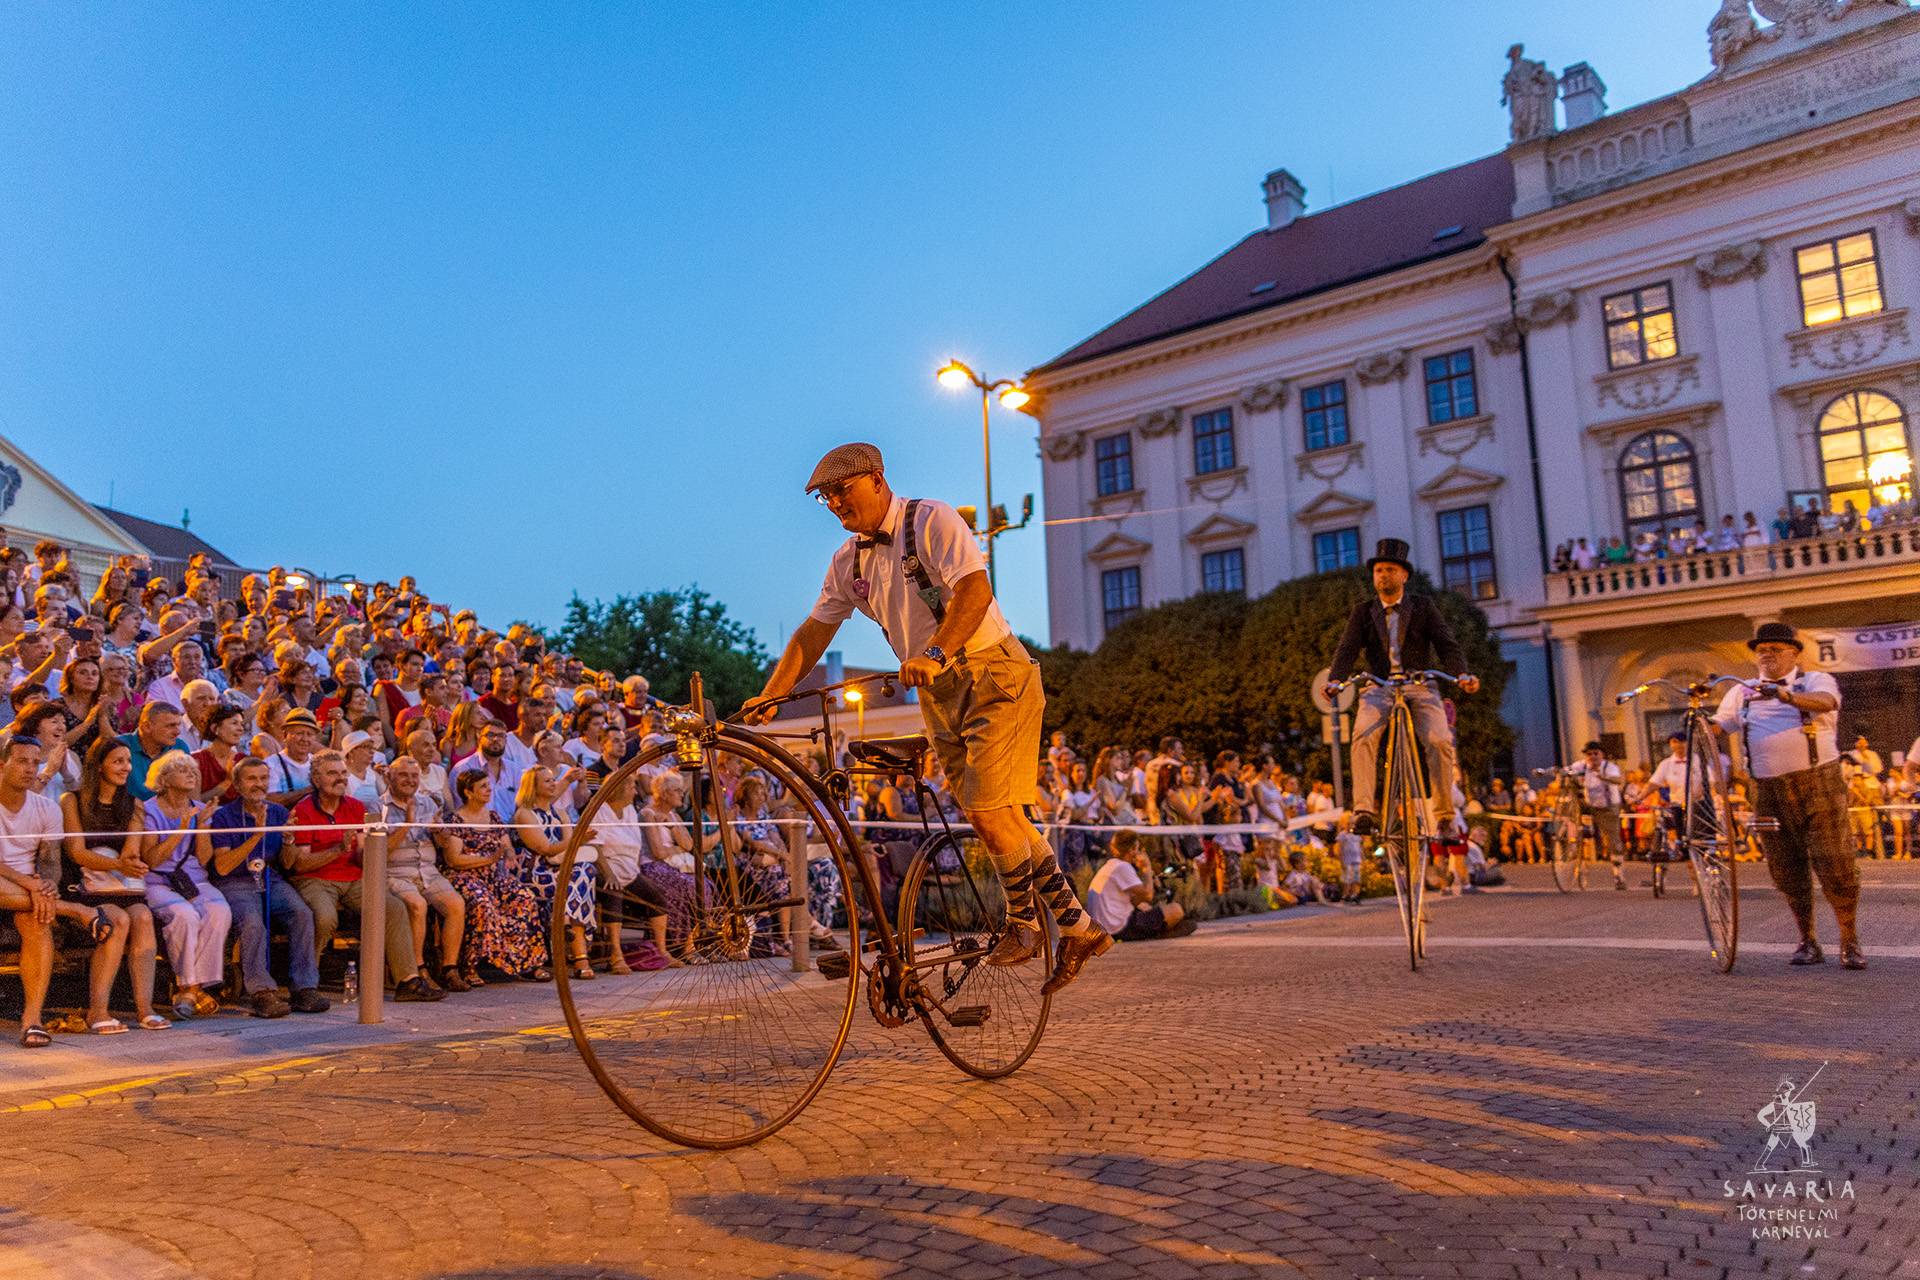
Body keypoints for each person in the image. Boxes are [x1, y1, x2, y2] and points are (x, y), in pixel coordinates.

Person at [743, 442, 1108, 995]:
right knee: (1000, 817)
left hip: (992, 673)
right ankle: (1079, 928)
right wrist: (771, 695)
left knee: (988, 811)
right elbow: (813, 633)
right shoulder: (847, 562)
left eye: (842, 489)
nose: (835, 502)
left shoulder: (930, 519)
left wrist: (935, 652)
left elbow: (974, 591)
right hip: (936, 690)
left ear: (877, 479)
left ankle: (1025, 923)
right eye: (826, 497)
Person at [1713, 622, 1864, 969]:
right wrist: (1699, 721)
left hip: (1819, 782)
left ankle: (1849, 939)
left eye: (1775, 649)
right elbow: (1720, 725)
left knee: (1836, 863)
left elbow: (1827, 703)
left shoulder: (1813, 681)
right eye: (1761, 650)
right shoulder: (1741, 692)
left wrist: (1785, 696)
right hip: (1766, 790)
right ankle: (1807, 940)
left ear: (1794, 653)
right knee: (1785, 868)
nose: (1766, 654)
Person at [1325, 538, 1479, 838]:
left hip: (1419, 684)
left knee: (1439, 740)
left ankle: (1445, 817)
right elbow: (1347, 649)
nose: (1383, 575)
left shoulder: (1423, 607)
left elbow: (1447, 645)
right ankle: (1364, 811)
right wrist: (1335, 679)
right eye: (1379, 570)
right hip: (1379, 686)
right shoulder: (1363, 611)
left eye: (1390, 570)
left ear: (1404, 575)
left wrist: (1461, 675)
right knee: (1362, 735)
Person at [284, 750, 444, 1002]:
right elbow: (300, 865)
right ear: (316, 779)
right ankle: (305, 985)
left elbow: (360, 854)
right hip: (316, 879)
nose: (340, 778)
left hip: (354, 878)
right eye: (332, 773)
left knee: (394, 907)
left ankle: (408, 981)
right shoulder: (303, 810)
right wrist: (338, 849)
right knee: (324, 917)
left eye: (343, 773)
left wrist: (369, 849)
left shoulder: (355, 807)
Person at [200, 756, 328, 1016]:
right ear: (237, 785)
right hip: (235, 880)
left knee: (302, 913)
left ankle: (304, 987)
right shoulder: (224, 816)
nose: (259, 784)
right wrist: (257, 835)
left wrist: (289, 841)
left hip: (269, 876)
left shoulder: (278, 813)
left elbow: (288, 863)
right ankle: (261, 991)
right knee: (252, 922)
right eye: (251, 779)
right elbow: (222, 866)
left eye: (263, 778)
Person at [60, 736, 161, 1030]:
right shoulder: (72, 801)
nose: (126, 767)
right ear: (98, 765)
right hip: (85, 886)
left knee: (143, 917)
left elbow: (131, 851)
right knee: (116, 920)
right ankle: (98, 1011)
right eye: (118, 761)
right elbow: (77, 853)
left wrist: (129, 863)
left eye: (128, 761)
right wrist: (118, 864)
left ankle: (145, 1008)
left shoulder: (134, 804)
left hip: (122, 885)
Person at [139, 750, 230, 1021]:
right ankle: (187, 988)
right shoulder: (149, 810)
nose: (191, 774)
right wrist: (181, 829)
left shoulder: (200, 809)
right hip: (158, 880)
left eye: (193, 770)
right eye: (182, 770)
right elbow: (151, 859)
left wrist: (200, 827)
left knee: (219, 911)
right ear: (164, 779)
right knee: (184, 915)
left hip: (193, 879)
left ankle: (192, 990)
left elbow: (204, 858)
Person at [442, 769, 549, 984]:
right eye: (482, 786)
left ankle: (528, 963)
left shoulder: (493, 817)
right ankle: (471, 966)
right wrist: (489, 858)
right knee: (483, 903)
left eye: (488, 785)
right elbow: (454, 859)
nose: (488, 790)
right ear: (468, 792)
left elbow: (505, 844)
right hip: (465, 875)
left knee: (524, 898)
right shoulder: (456, 820)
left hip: (493, 876)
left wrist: (508, 854)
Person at [1085, 829, 1188, 942]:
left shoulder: (1110, 866)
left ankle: (1159, 929)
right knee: (1176, 910)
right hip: (1118, 928)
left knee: (1144, 906)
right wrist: (1146, 868)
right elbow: (1148, 895)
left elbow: (1137, 900)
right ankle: (1159, 933)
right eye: (1138, 849)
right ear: (1132, 850)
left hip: (1105, 928)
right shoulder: (1123, 867)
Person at [1568, 740, 1628, 889]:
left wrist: (1603, 777)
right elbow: (1567, 771)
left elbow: (1618, 780)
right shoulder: (1581, 766)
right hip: (1589, 804)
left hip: (1608, 806)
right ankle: (1573, 842)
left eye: (1596, 753)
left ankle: (1618, 874)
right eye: (1589, 754)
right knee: (1570, 802)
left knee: (1613, 839)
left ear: (1602, 754)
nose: (1593, 757)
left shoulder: (1610, 767)